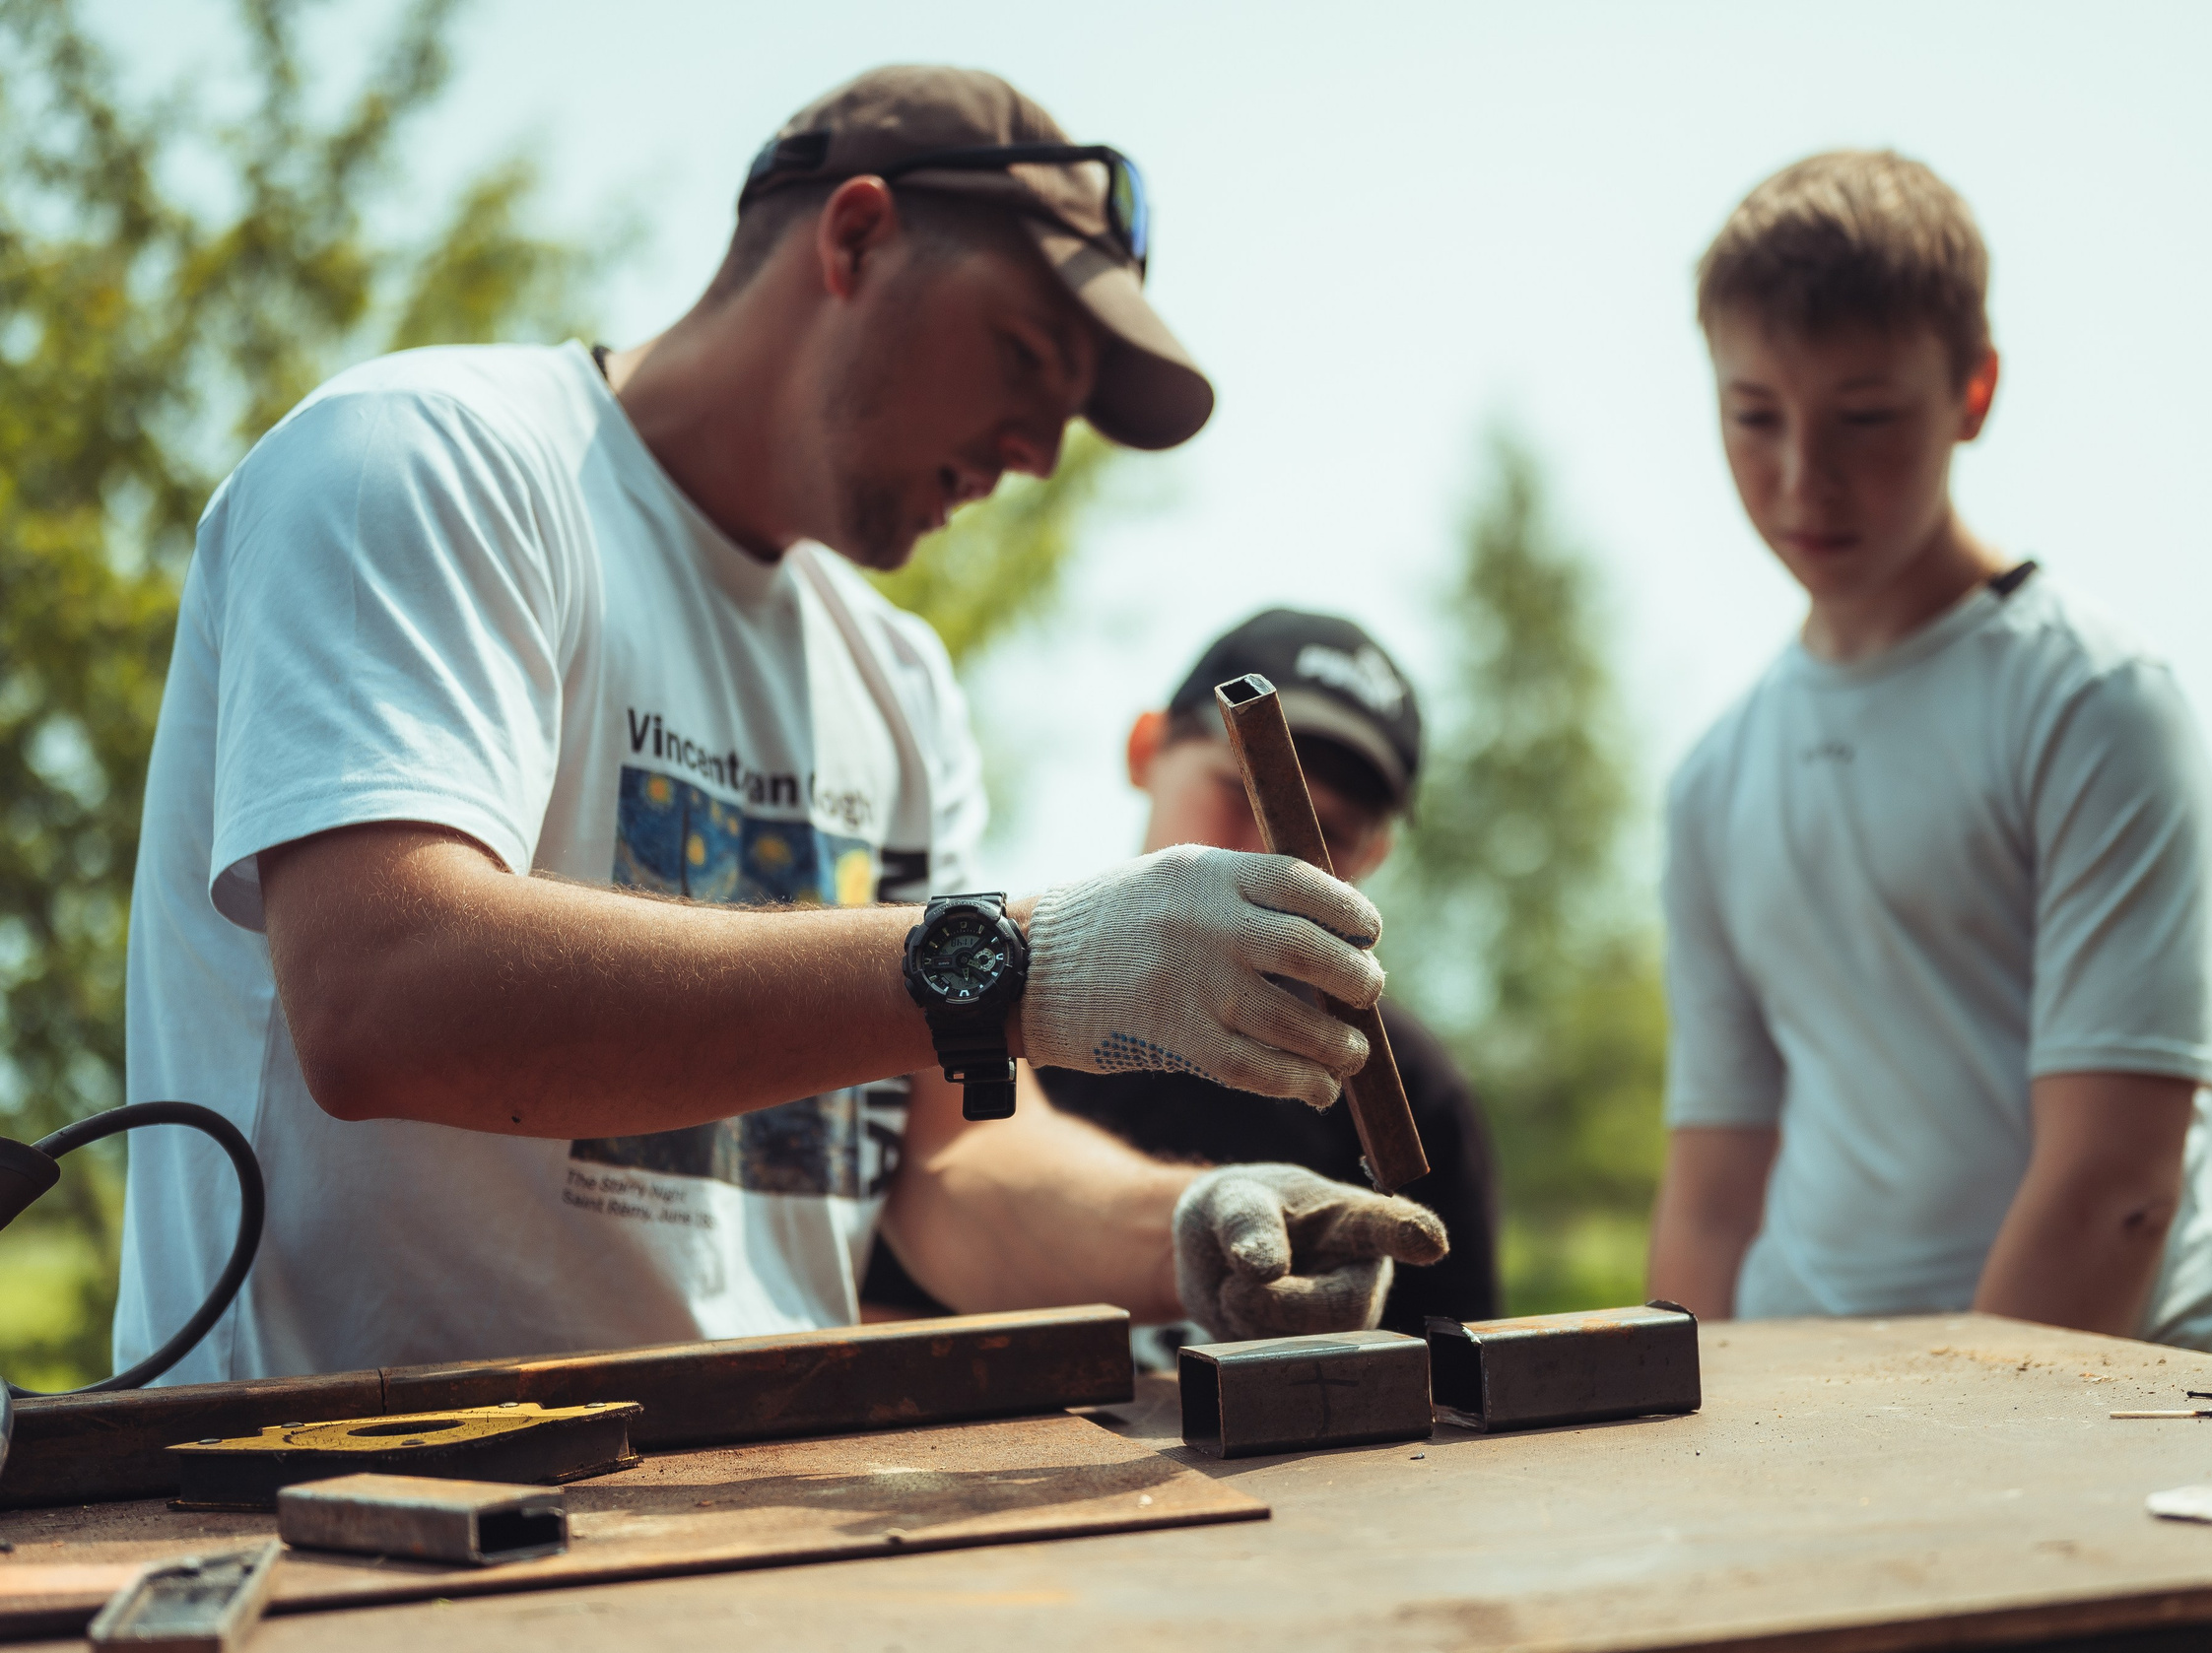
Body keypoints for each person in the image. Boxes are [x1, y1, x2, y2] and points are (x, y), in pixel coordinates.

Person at [114, 65, 1443, 1385]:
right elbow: (379, 986)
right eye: (1027, 354)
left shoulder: (898, 682)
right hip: (344, 1511)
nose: (1043, 449)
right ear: (855, 235)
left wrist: (1186, 1232)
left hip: (741, 1520)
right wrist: (1013, 965)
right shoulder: (427, 465)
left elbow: (952, 1162)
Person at [1644, 151, 2212, 1357]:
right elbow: (1713, 1189)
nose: (1799, 477)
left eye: (1863, 417)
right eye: (1752, 415)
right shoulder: (1714, 777)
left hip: (2114, 1421)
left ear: (1973, 391)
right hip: (1810, 1429)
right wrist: (1675, 1448)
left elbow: (2115, 1189)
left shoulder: (2091, 701)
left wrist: (1947, 1456)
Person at [864, 611, 1502, 1343]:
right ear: (1144, 749)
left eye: (1332, 834)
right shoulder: (989, 1019)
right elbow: (876, 1304)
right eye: (1242, 791)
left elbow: (1459, 1390)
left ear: (1376, 856)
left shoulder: (1414, 1094)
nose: (1275, 855)